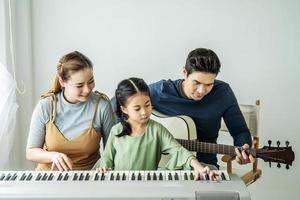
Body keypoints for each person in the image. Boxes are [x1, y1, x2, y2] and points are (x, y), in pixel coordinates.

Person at [148, 48, 255, 169]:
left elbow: (240, 131)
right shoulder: (161, 91)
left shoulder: (223, 93)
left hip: (205, 166)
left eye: (209, 84)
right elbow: (123, 104)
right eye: (196, 82)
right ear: (184, 72)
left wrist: (243, 148)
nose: (202, 91)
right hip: (160, 164)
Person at [93, 77, 216, 180]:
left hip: (147, 185)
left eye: (147, 105)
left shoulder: (157, 130)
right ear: (124, 109)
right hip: (118, 184)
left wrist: (197, 166)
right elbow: (107, 159)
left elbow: (178, 150)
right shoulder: (116, 130)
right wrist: (103, 168)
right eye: (137, 108)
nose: (144, 112)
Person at [26, 51, 116, 171]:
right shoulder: (46, 106)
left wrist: (105, 166)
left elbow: (113, 151)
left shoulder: (102, 106)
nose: (87, 89)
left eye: (91, 81)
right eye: (79, 85)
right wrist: (52, 156)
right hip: (49, 176)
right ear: (62, 82)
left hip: (89, 177)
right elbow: (31, 152)